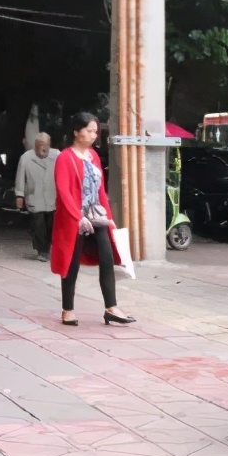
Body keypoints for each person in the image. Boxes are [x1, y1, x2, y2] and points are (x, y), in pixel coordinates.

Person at [51, 112, 135, 327]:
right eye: (89, 130)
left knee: (107, 259)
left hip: (96, 214)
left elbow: (100, 191)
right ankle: (67, 310)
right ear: (76, 131)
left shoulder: (94, 157)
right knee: (71, 263)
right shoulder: (65, 157)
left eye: (95, 131)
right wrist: (77, 216)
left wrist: (109, 217)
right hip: (73, 217)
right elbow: (64, 191)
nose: (93, 135)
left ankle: (111, 308)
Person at [15, 132, 60, 261]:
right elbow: (20, 178)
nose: (42, 149)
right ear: (35, 146)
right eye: (39, 145)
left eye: (45, 145)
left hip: (53, 196)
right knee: (38, 225)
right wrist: (19, 195)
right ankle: (42, 251)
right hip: (35, 196)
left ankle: (47, 248)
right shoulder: (26, 157)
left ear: (49, 144)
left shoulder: (57, 155)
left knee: (51, 225)